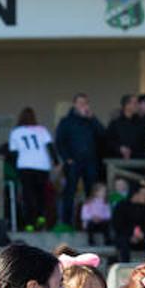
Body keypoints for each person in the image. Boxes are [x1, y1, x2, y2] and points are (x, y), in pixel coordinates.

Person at [56, 93, 105, 227]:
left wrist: (93, 118)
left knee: (91, 191)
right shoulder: (66, 121)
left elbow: (103, 135)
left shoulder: (91, 121)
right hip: (73, 162)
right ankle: (66, 222)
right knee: (70, 191)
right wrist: (67, 159)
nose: (84, 105)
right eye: (81, 103)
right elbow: (60, 142)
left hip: (90, 162)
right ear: (75, 104)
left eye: (86, 103)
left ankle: (91, 222)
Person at [9, 107, 57, 229]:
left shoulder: (16, 132)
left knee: (28, 194)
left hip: (25, 165)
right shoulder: (41, 130)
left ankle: (30, 223)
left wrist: (15, 168)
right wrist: (56, 162)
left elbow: (13, 153)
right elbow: (50, 147)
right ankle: (40, 216)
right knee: (41, 192)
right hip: (42, 165)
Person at [112, 183, 145, 263]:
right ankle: (124, 266)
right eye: (144, 194)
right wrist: (131, 235)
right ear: (135, 194)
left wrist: (141, 235)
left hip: (143, 237)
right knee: (122, 241)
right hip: (126, 236)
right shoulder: (121, 206)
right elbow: (118, 226)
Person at [107, 95, 145, 162]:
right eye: (135, 103)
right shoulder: (115, 123)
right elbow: (109, 142)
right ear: (127, 105)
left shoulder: (143, 124)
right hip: (118, 164)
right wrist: (120, 149)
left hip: (138, 165)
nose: (138, 106)